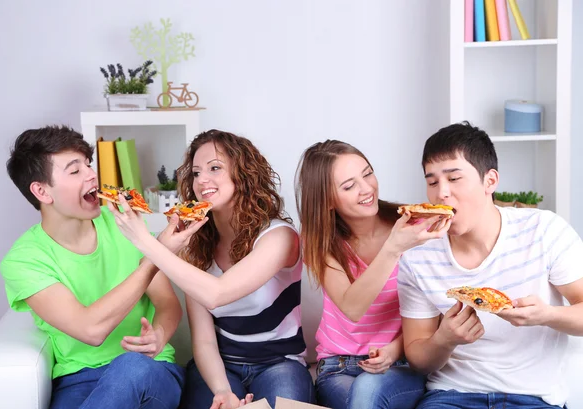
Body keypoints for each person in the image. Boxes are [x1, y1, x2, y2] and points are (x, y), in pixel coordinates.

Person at [107, 129, 315, 409]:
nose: (202, 180)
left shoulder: (279, 237)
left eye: (215, 168)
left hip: (281, 364)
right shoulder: (198, 249)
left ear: (243, 174)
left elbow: (217, 293)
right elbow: (204, 340)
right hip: (220, 367)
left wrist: (144, 240)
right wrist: (222, 391)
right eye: (195, 173)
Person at [398, 121, 583, 409]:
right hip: (451, 397)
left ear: (490, 181)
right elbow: (419, 359)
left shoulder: (544, 230)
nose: (441, 193)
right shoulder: (417, 255)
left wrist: (546, 315)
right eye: (432, 182)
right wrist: (445, 340)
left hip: (533, 399)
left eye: (454, 178)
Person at [0, 126, 185, 409]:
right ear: (41, 191)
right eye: (75, 171)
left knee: (131, 367)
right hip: (79, 379)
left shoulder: (126, 225)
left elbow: (168, 304)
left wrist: (159, 335)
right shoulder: (24, 261)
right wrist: (154, 259)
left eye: (88, 164)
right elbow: (90, 330)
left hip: (150, 369)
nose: (91, 174)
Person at [294, 139, 450, 409]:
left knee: (367, 392)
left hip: (400, 364)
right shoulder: (318, 240)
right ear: (327, 200)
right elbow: (352, 306)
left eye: (367, 173)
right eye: (349, 185)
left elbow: (439, 306)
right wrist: (393, 249)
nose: (366, 189)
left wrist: (396, 349)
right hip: (337, 367)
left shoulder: (417, 225)